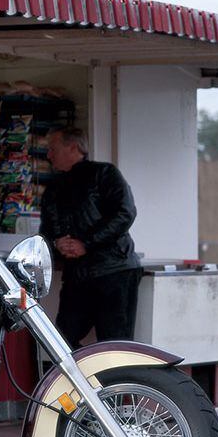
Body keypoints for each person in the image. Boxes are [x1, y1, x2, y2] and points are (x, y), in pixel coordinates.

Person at [39, 126, 142, 348]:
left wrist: (86, 243)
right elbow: (45, 231)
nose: (48, 155)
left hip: (114, 270)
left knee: (115, 342)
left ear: (73, 147)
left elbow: (125, 213)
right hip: (77, 274)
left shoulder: (105, 173)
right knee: (62, 340)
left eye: (53, 148)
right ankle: (79, 382)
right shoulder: (53, 189)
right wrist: (57, 243)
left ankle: (116, 383)